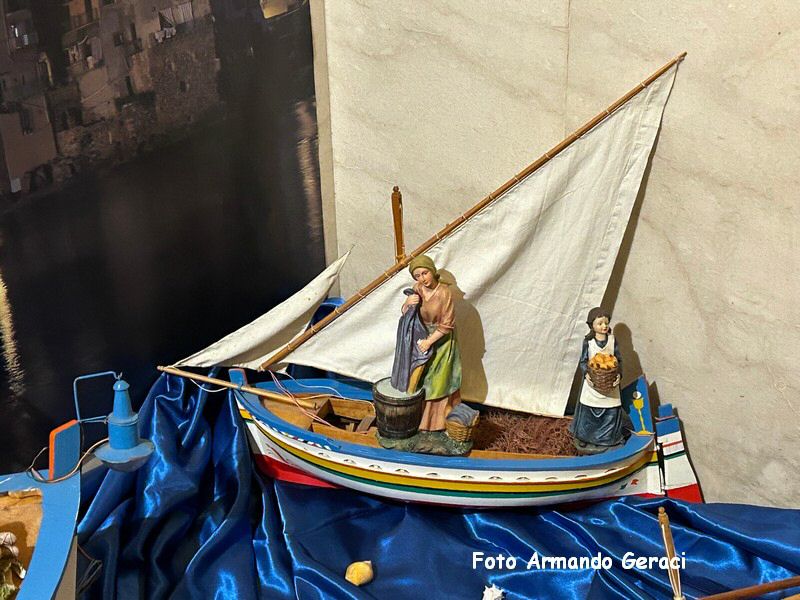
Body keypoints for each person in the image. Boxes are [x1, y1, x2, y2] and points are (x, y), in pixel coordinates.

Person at [401, 255, 462, 431]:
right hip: (420, 339)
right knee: (418, 379)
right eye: (417, 275)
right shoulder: (417, 289)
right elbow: (406, 315)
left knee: (437, 382)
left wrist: (429, 342)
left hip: (441, 341)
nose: (422, 279)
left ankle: (436, 423)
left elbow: (447, 325)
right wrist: (407, 304)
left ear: (432, 271)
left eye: (425, 273)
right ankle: (418, 419)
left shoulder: (444, 292)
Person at [569, 306, 632, 452]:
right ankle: (586, 437)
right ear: (592, 325)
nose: (604, 326)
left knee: (610, 411)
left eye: (606, 323)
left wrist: (618, 375)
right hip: (592, 384)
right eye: (600, 323)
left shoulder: (612, 341)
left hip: (610, 384)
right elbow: (583, 361)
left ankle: (608, 439)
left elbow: (619, 361)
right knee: (588, 410)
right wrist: (586, 374)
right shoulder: (588, 342)